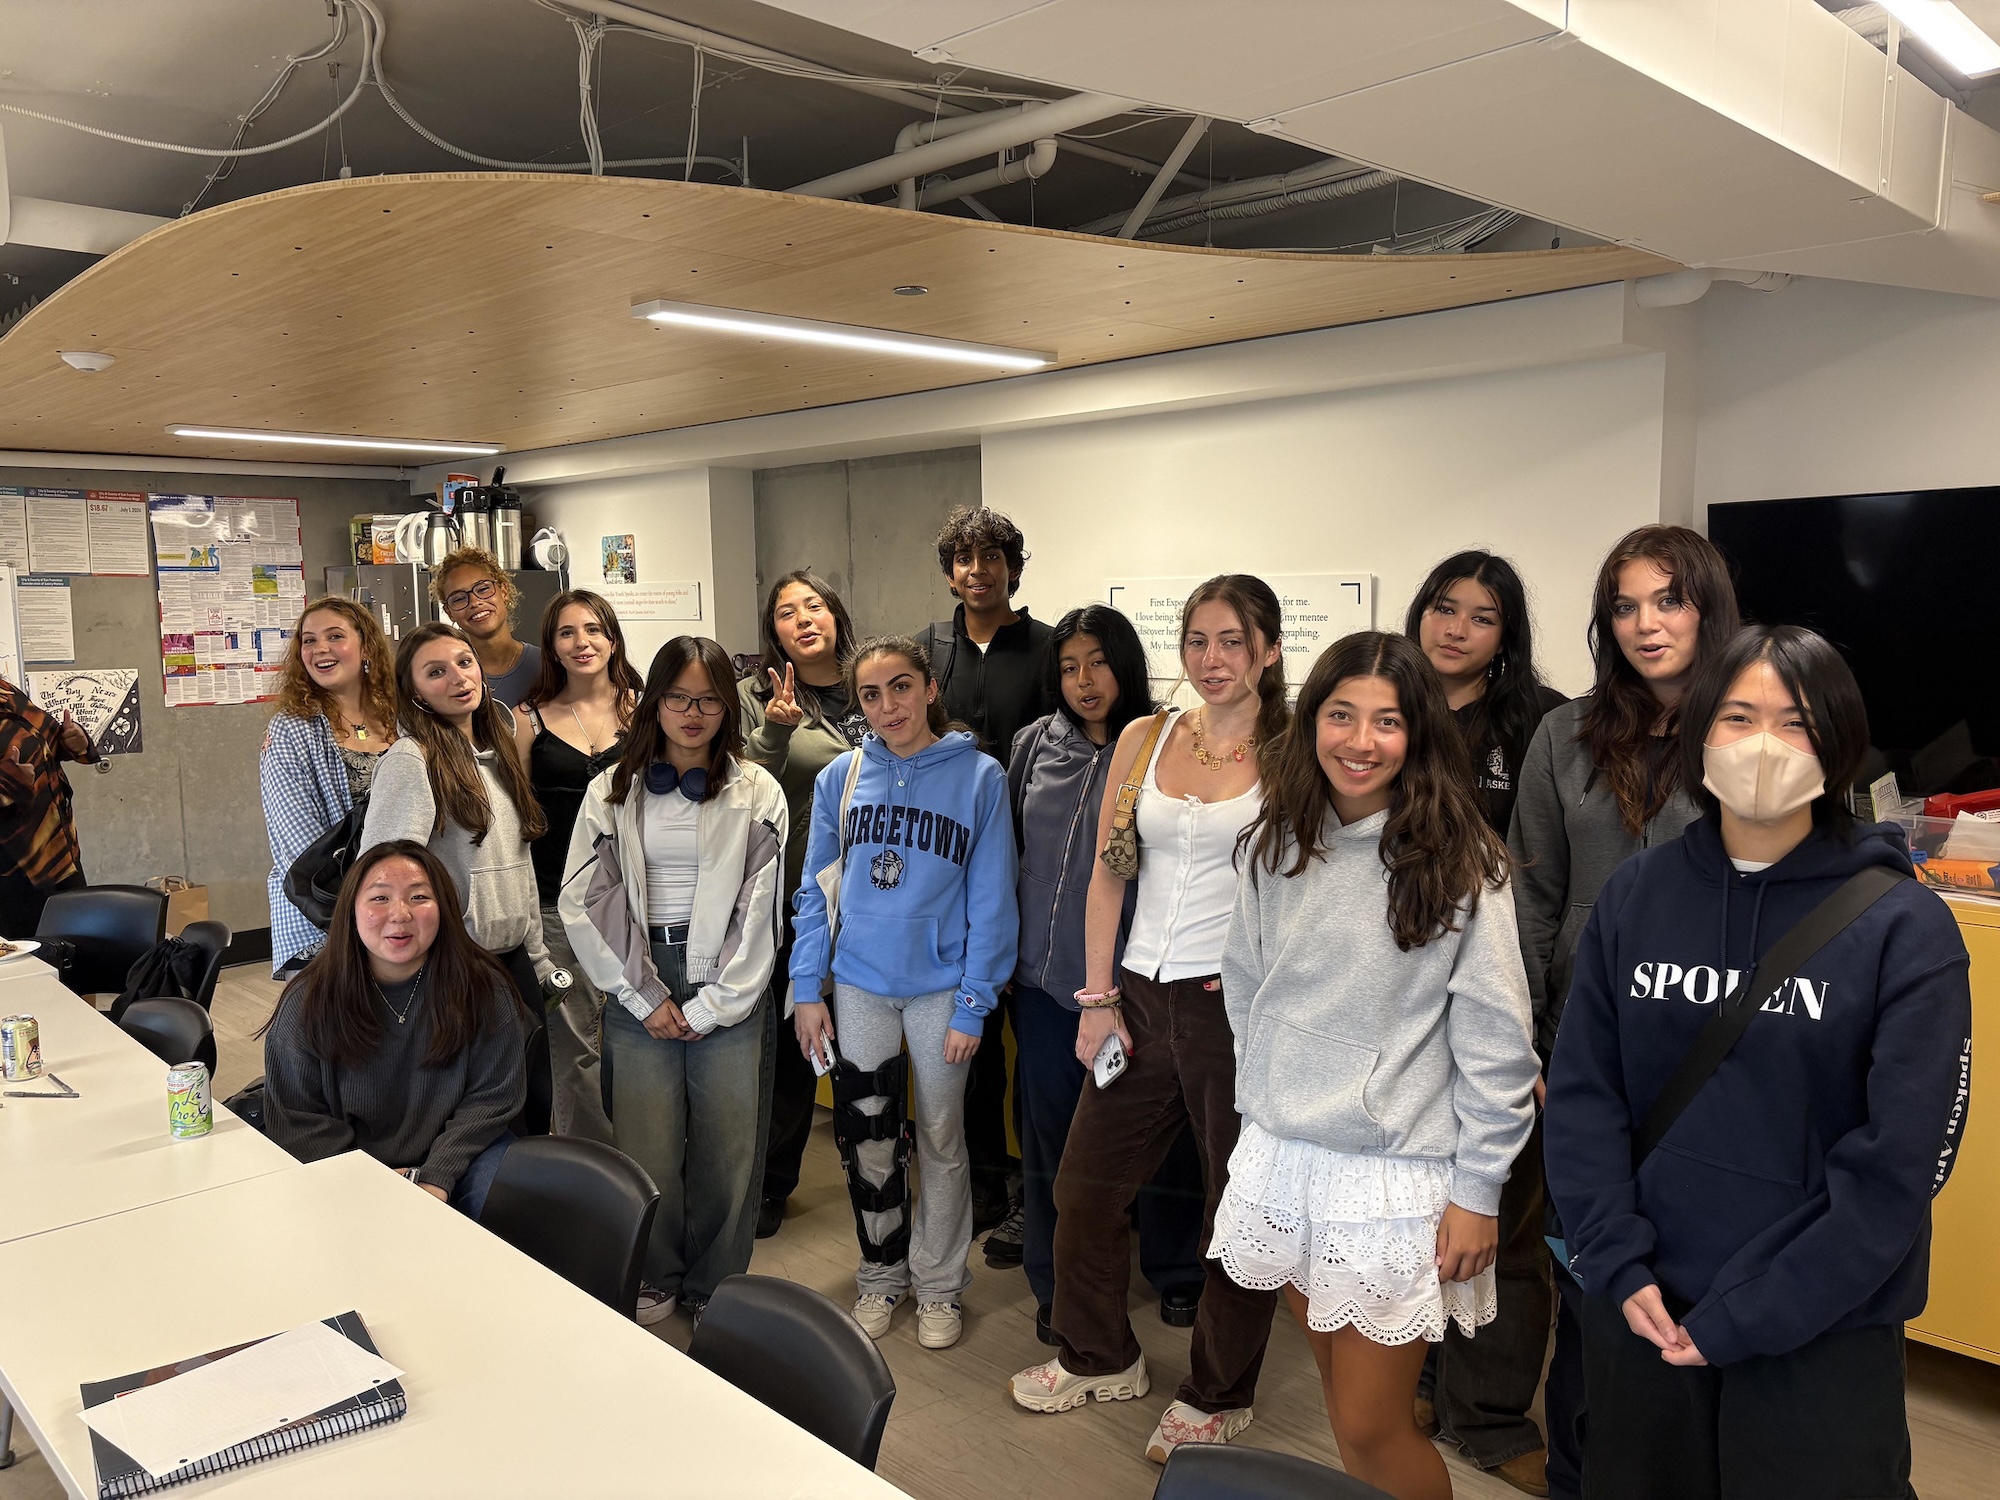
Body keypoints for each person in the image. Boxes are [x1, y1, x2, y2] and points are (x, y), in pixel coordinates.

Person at [1544, 625, 1971, 1500]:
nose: (1764, 745)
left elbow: (1897, 1167)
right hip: (1645, 1310)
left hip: (1818, 1328)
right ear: (1700, 730)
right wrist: (1617, 1264)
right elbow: (1586, 1096)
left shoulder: (1904, 926)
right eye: (1738, 717)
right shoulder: (1638, 894)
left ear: (1841, 742)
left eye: (1797, 722)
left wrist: (1758, 1310)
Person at [1215, 631, 1538, 1500]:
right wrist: (1266, 1100)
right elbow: (1245, 986)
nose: (1360, 741)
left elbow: (1499, 1048)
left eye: (1387, 722)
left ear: (1419, 734)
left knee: (1372, 1426)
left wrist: (1478, 1192)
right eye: (1341, 715)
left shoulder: (1466, 864)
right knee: (1341, 1411)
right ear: (1310, 719)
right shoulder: (1272, 840)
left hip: (1391, 1178)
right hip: (1284, 1156)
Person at [1011, 575, 1286, 1466]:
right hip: (1137, 993)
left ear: (1269, 651)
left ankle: (1217, 1392)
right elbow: (1107, 873)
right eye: (1197, 641)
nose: (1212, 659)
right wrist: (1097, 1001)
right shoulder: (1147, 734)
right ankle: (1100, 1355)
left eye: (1232, 642)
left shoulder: (1295, 751)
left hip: (1231, 1007)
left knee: (1231, 1214)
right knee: (1084, 1188)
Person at [1508, 524, 1739, 1500]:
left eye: (1666, 599)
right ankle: (1579, 1479)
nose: (1644, 624)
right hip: (1580, 1067)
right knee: (1590, 1287)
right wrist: (1517, 1044)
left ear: (1706, 607)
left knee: (1696, 1292)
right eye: (1623, 605)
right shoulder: (1563, 735)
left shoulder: (1755, 724)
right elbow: (1527, 899)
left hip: (1715, 1071)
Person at [790, 636, 1018, 1353]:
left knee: (944, 1138)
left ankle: (940, 1284)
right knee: (869, 1136)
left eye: (900, 687)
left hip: (942, 991)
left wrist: (976, 1001)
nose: (887, 705)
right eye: (870, 694)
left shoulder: (979, 777)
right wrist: (806, 987)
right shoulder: (842, 779)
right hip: (858, 984)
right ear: (857, 705)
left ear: (927, 690)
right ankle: (880, 1272)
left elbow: (993, 897)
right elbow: (813, 892)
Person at [561, 636, 788, 1324]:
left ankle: (714, 1282)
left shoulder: (757, 791)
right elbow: (583, 896)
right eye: (678, 697)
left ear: (729, 706)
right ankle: (656, 1270)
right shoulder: (612, 788)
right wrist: (643, 994)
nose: (693, 713)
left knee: (728, 1147)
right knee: (647, 1144)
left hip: (729, 979)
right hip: (639, 975)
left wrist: (718, 1002)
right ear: (652, 701)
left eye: (710, 699)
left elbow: (761, 908)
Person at [1403, 551, 1566, 1493]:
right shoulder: (1388, 703)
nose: (1455, 627)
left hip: (1502, 1005)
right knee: (1421, 1210)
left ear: (1508, 637)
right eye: (1443, 606)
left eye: (1483, 615)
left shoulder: (1538, 723)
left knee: (1504, 1219)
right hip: (1404, 1010)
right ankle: (1425, 1375)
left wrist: (1531, 1028)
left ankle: (1492, 1415)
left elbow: (1540, 886)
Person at [1006, 604, 1207, 1343]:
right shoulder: (1033, 746)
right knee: (1053, 1140)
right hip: (1046, 985)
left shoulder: (1165, 745)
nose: (1084, 681)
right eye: (1068, 666)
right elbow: (1010, 859)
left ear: (1126, 662)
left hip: (1146, 983)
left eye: (1097, 662)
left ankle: (1177, 1270)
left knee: (1157, 1135)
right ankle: (1058, 1285)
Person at [913, 505, 1054, 1256]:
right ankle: (983, 1187)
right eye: (964, 559)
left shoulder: (1050, 647)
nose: (977, 570)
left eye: (991, 557)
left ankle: (1035, 1195)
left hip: (1027, 870)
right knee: (963, 1039)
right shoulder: (927, 649)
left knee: (1024, 1038)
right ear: (949, 574)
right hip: (942, 872)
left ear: (1012, 566)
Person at [261, 839, 526, 1220]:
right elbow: (298, 1118)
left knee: (501, 1207)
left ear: (445, 908)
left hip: (458, 1158)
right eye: (380, 898)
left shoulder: (482, 988)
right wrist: (372, 1180)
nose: (400, 914)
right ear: (351, 910)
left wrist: (436, 1178)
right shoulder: (308, 1001)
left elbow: (493, 1097)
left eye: (419, 897)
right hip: (345, 1166)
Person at [738, 569, 867, 1239]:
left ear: (837, 615)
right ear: (775, 631)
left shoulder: (878, 683)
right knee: (795, 1050)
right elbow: (736, 792)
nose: (803, 619)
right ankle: (771, 1184)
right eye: (787, 613)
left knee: (871, 1048)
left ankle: (877, 1177)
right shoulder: (757, 697)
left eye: (814, 605)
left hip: (879, 903)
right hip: (800, 903)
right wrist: (775, 731)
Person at [361, 622, 562, 1027]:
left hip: (513, 958)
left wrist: (538, 959)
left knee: (532, 1087)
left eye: (464, 662)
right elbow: (382, 881)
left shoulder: (499, 749)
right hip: (450, 965)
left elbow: (519, 864)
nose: (458, 678)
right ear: (415, 693)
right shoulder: (411, 759)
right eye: (436, 672)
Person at [513, 590, 640, 1141]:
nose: (581, 642)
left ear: (612, 639)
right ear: (552, 647)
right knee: (572, 1045)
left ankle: (646, 1164)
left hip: (636, 900)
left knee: (636, 1038)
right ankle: (589, 1176)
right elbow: (516, 816)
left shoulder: (648, 709)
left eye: (593, 629)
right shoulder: (528, 719)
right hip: (554, 903)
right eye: (567, 633)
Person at [261, 597, 398, 976]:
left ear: (365, 647)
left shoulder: (401, 718)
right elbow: (300, 846)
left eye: (335, 636)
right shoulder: (292, 728)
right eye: (309, 641)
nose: (320, 648)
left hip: (401, 915)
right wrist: (363, 914)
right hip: (325, 920)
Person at [0, 673, 97, 938]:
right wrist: (8, 785)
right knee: (31, 961)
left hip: (59, 852)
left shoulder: (6, 692)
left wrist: (75, 743)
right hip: (13, 869)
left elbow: (45, 741)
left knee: (79, 947)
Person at [433, 546, 541, 709]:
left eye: (483, 589)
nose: (475, 603)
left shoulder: (545, 666)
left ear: (503, 592)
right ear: (449, 612)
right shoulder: (452, 679)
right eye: (459, 599)